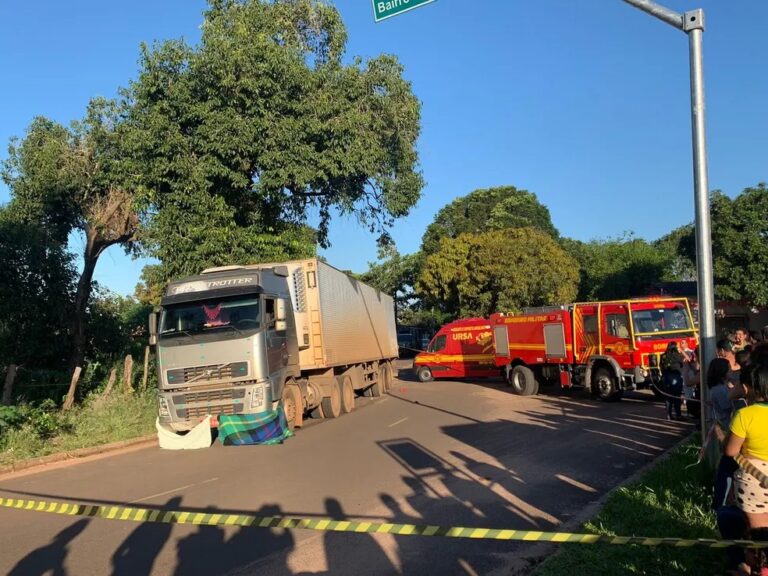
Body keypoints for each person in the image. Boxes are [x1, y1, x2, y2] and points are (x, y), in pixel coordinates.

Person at [725, 365, 768, 569]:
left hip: (754, 480)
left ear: (746, 388)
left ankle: (760, 568)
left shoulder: (745, 415)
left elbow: (730, 451)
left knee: (759, 535)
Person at [660, 341, 684, 421]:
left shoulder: (663, 356)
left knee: (668, 397)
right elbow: (682, 364)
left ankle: (668, 416)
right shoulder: (678, 355)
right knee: (677, 397)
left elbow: (661, 367)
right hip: (676, 377)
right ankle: (678, 415)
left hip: (666, 377)